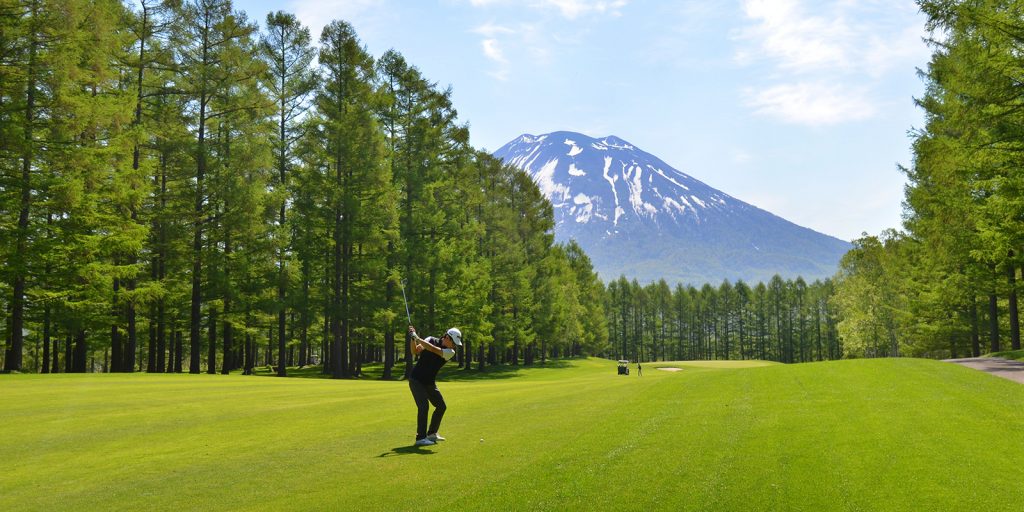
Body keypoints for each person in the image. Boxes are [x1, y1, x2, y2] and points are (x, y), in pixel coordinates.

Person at [408, 325, 462, 446]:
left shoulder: (450, 352)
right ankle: (420, 438)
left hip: (429, 382)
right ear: (447, 337)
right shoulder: (430, 339)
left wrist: (417, 337)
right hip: (416, 380)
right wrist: (413, 338)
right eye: (453, 342)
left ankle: (432, 433)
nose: (454, 346)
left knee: (441, 406)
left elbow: (433, 349)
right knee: (424, 407)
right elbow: (414, 351)